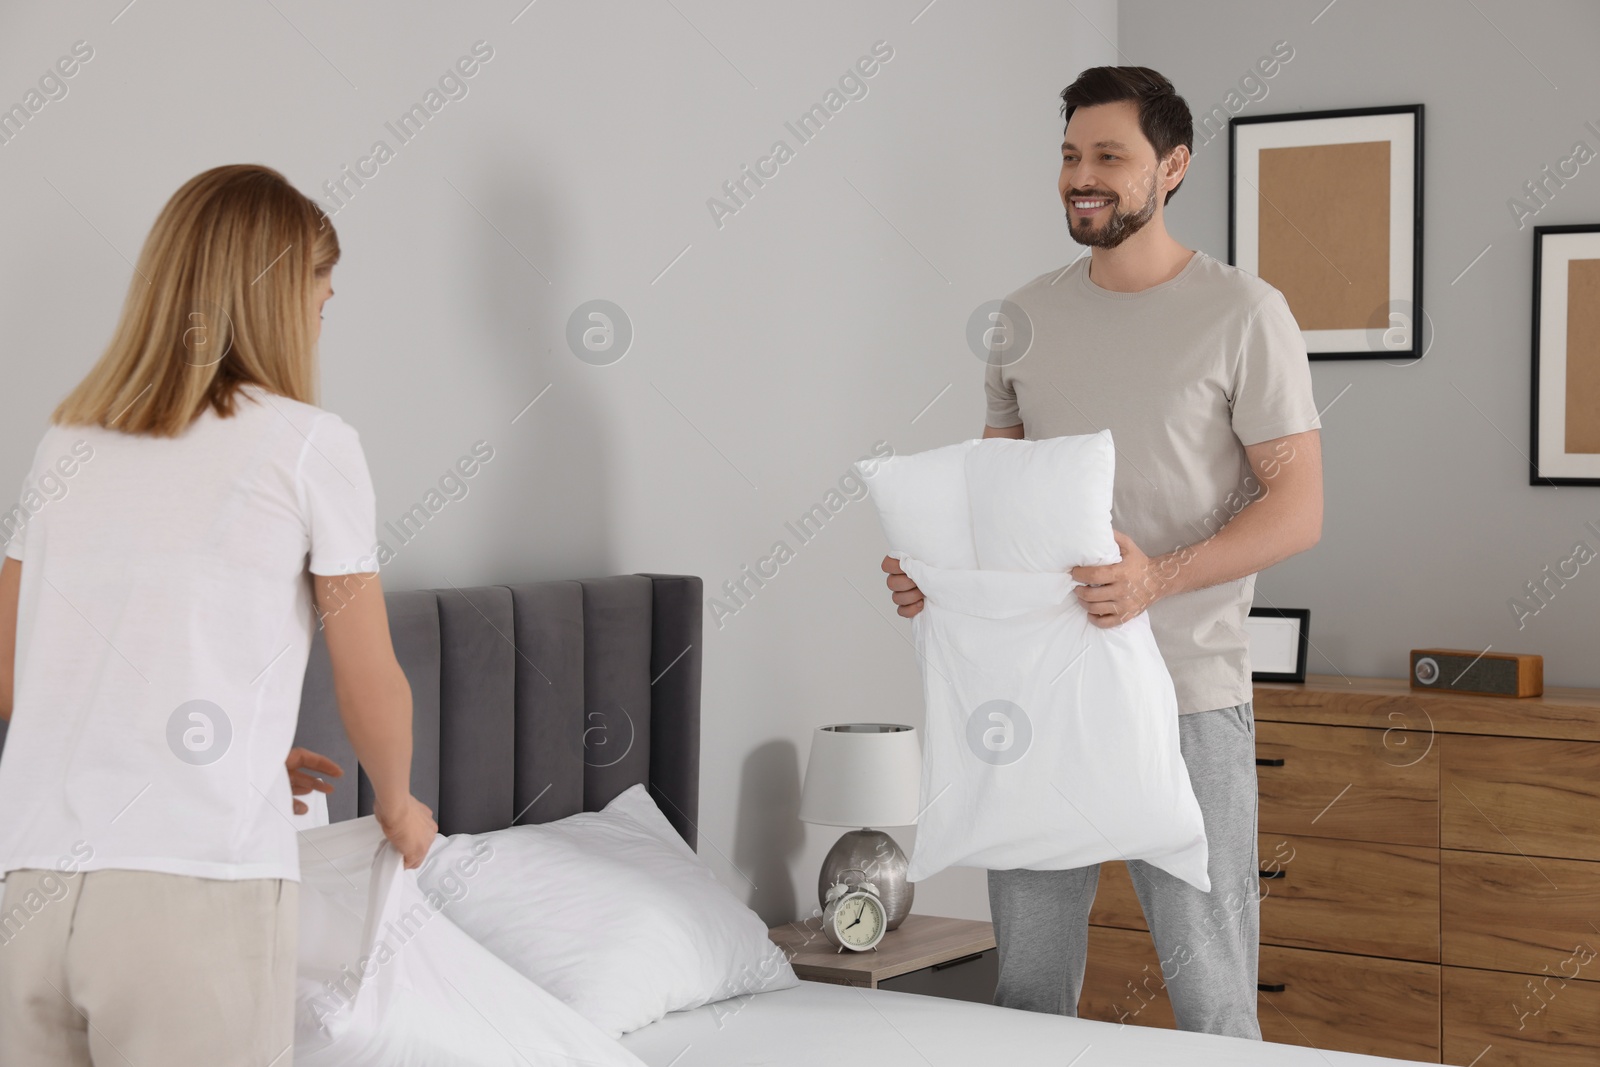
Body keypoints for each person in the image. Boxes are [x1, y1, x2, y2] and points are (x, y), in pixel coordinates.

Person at [882, 67, 1323, 1038]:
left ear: (1172, 167)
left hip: (1188, 698)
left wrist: (1154, 578)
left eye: (1108, 157)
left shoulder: (1244, 313)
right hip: (1039, 703)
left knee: (1212, 1004)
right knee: (1028, 999)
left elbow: (1297, 509)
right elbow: (993, 502)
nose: (1082, 176)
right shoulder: (1020, 318)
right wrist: (936, 576)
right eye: (1071, 155)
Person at [0, 163, 438, 1065]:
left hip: (27, 885)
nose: (326, 304)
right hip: (194, 891)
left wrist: (223, 740)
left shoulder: (62, 444)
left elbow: (19, 670)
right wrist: (398, 809)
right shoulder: (312, 447)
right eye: (321, 282)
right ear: (278, 292)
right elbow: (368, 677)